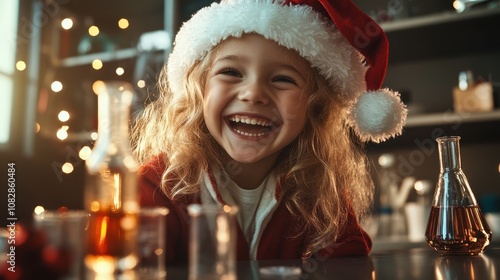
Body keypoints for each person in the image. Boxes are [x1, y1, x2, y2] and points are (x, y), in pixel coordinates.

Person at [132, 0, 407, 263]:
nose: (253, 94)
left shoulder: (320, 191)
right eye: (231, 72)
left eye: (283, 79)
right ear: (199, 91)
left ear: (315, 108)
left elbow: (347, 264)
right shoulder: (157, 187)